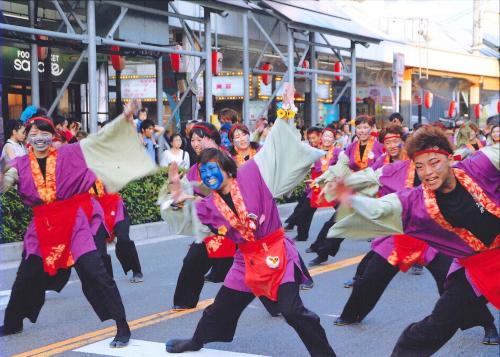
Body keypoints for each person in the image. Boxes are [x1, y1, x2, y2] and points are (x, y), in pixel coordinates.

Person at [162, 87, 335, 355]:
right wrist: (178, 197)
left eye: (213, 170)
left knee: (292, 311)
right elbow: (189, 211)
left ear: (227, 169)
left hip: (276, 254)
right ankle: (196, 341)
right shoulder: (210, 203)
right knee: (220, 307)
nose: (208, 176)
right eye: (204, 172)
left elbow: (277, 145)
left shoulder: (252, 172)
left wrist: (286, 112)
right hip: (246, 261)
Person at [325, 125, 500, 355]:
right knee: (432, 328)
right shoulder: (415, 200)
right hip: (476, 267)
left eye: (434, 162)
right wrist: (350, 196)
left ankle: (487, 325)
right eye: (420, 166)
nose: (428, 172)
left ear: (449, 158)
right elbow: (380, 208)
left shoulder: (478, 165)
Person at [0, 101, 156, 347]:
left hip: (75, 221)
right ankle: (13, 322)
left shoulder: (69, 153)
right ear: (27, 138)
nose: (39, 138)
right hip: (43, 226)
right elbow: (4, 183)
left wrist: (125, 117)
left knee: (94, 271)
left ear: (52, 137)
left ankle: (122, 325)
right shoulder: (19, 165)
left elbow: (99, 139)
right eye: (34, 134)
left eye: (44, 134)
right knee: (27, 274)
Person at [160, 122, 235, 310]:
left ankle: (280, 301)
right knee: (193, 260)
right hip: (211, 225)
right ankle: (184, 301)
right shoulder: (196, 167)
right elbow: (181, 194)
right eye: (192, 140)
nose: (195, 143)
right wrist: (176, 190)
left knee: (252, 267)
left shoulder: (227, 159)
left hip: (235, 224)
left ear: (212, 139)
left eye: (200, 139)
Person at [308, 115, 384, 267]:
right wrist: (320, 179)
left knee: (386, 234)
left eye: (365, 127)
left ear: (372, 128)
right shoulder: (351, 147)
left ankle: (414, 258)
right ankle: (322, 253)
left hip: (372, 195)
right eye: (359, 127)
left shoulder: (379, 147)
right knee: (335, 222)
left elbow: (382, 170)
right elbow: (339, 167)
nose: (362, 131)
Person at [89, 180, 144, 283]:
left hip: (116, 209)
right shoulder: (81, 176)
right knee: (100, 250)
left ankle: (137, 271)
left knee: (124, 241)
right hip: (97, 214)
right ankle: (107, 279)